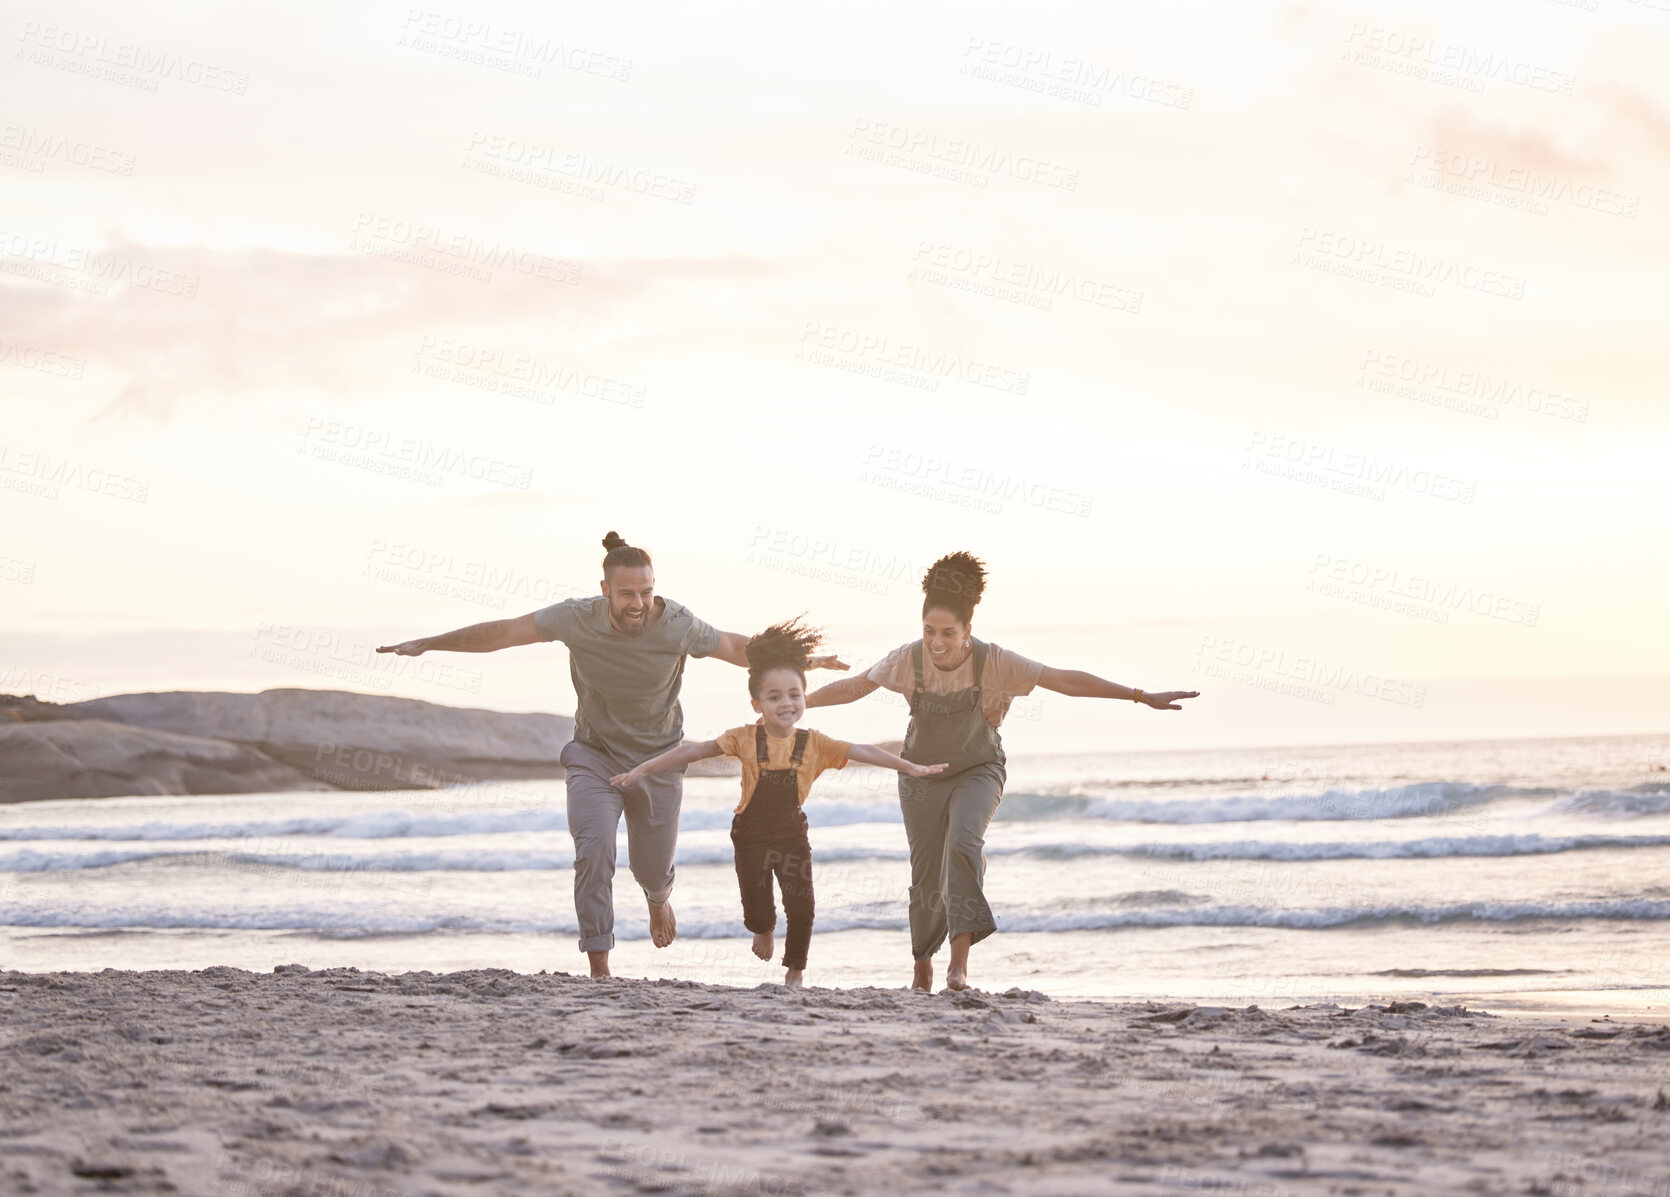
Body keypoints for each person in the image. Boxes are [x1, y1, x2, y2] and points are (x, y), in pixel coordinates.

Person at [376, 532, 846, 978]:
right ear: (605, 590)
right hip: (594, 755)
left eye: (646, 592)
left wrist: (803, 662)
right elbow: (504, 632)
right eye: (627, 594)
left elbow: (735, 647)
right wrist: (431, 642)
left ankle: (658, 896)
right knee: (594, 848)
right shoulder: (574, 617)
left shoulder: (677, 624)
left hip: (660, 759)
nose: (638, 604)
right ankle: (600, 969)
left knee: (650, 869)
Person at [805, 551, 1198, 993]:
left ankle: (959, 966)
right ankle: (922, 963)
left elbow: (1067, 681)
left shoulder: (994, 661)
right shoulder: (907, 660)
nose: (937, 642)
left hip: (979, 768)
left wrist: (1140, 695)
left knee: (963, 845)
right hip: (919, 773)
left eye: (948, 633)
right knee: (925, 873)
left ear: (968, 630)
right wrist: (800, 703)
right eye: (929, 631)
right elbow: (856, 686)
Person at [610, 619, 945, 987]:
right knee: (757, 906)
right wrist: (642, 769)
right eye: (774, 697)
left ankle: (795, 971)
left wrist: (907, 765)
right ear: (757, 703)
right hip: (749, 835)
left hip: (791, 835)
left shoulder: (815, 742)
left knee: (802, 905)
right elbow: (693, 750)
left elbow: (862, 750)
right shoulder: (743, 738)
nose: (786, 703)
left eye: (794, 695)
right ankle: (763, 929)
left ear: (804, 697)